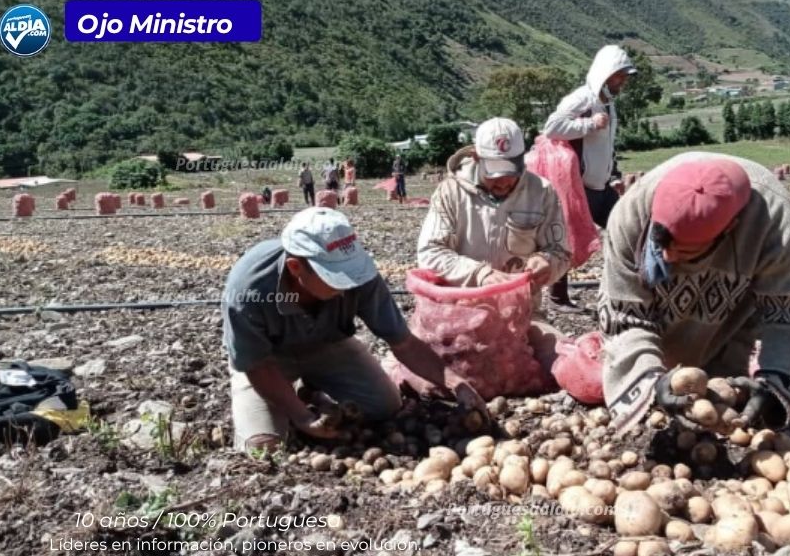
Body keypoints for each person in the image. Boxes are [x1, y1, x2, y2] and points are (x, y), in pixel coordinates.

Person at [223, 207, 488, 454]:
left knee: (386, 405)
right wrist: (301, 417)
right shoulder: (249, 289)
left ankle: (310, 388)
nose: (348, 285)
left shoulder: (359, 276)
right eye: (334, 277)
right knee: (262, 448)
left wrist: (455, 383)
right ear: (296, 268)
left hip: (328, 345)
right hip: (268, 362)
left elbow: (403, 343)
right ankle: (294, 398)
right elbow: (257, 366)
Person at [598, 152, 790, 435]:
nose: (667, 258)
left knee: (731, 403)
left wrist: (775, 388)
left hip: (731, 318)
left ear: (729, 229)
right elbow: (624, 317)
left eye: (682, 250)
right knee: (656, 393)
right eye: (661, 246)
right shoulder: (631, 214)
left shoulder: (773, 221)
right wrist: (648, 382)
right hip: (658, 320)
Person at [417, 118, 572, 373]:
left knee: (563, 360)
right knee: (423, 370)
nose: (503, 182)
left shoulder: (541, 192)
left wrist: (548, 262)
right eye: (494, 173)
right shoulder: (450, 191)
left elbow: (562, 252)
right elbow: (429, 252)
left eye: (511, 172)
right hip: (457, 316)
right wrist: (480, 274)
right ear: (476, 157)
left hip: (521, 316)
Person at [543, 44, 637, 313]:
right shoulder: (581, 100)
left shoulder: (608, 103)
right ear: (605, 74)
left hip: (601, 185)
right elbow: (552, 128)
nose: (622, 82)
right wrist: (589, 125)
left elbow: (607, 145)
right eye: (619, 76)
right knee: (567, 239)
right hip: (578, 186)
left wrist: (614, 175)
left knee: (626, 228)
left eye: (624, 77)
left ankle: (627, 286)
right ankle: (558, 298)